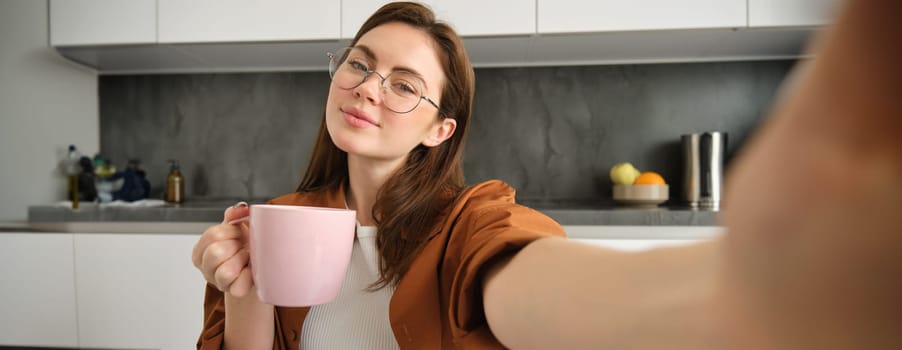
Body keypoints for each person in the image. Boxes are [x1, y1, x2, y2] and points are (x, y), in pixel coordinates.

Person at [194, 0, 902, 348]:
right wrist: (243, 286)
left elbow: (531, 277)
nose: (370, 87)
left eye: (404, 83)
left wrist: (741, 295)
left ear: (440, 129)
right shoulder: (282, 220)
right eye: (360, 63)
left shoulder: (468, 224)